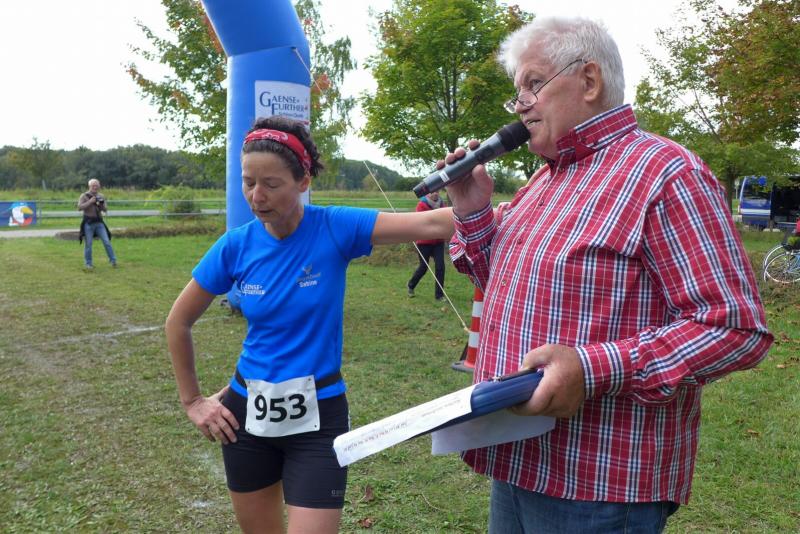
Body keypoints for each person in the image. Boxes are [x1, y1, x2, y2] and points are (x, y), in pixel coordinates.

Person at [442, 17, 773, 533]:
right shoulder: (543, 181)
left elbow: (735, 328)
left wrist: (592, 369)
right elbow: (502, 283)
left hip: (598, 484)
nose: (521, 104)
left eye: (533, 83)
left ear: (590, 80)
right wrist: (472, 210)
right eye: (517, 92)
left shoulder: (665, 173)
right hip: (517, 457)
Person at [165, 115, 453, 534]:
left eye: (271, 184)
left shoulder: (335, 226)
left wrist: (488, 202)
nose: (256, 196)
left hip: (319, 419)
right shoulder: (235, 246)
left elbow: (431, 223)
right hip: (246, 416)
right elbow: (178, 321)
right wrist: (193, 401)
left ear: (303, 181)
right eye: (248, 182)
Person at [407, 190, 447, 301]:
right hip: (424, 242)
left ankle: (439, 295)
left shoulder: (442, 205)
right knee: (423, 267)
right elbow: (421, 223)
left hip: (438, 241)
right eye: (432, 192)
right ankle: (411, 285)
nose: (435, 193)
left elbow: (445, 220)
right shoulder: (421, 205)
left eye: (437, 191)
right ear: (427, 194)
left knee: (440, 267)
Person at [77, 178, 117, 270]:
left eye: (97, 185)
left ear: (99, 186)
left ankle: (113, 261)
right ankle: (88, 263)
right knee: (88, 244)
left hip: (99, 222)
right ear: (89, 186)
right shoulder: (84, 196)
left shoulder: (101, 196)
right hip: (88, 223)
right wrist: (90, 202)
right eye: (93, 186)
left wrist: (101, 205)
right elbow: (79, 207)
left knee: (107, 241)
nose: (95, 187)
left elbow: (105, 210)